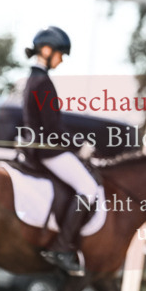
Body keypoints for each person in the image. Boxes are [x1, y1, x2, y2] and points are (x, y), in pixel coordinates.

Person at [20, 26, 96, 275]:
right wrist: (80, 146)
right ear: (46, 50)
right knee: (89, 187)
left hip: (38, 148)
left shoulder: (34, 79)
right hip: (48, 151)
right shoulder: (43, 83)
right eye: (60, 54)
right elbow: (53, 127)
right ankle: (61, 247)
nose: (61, 60)